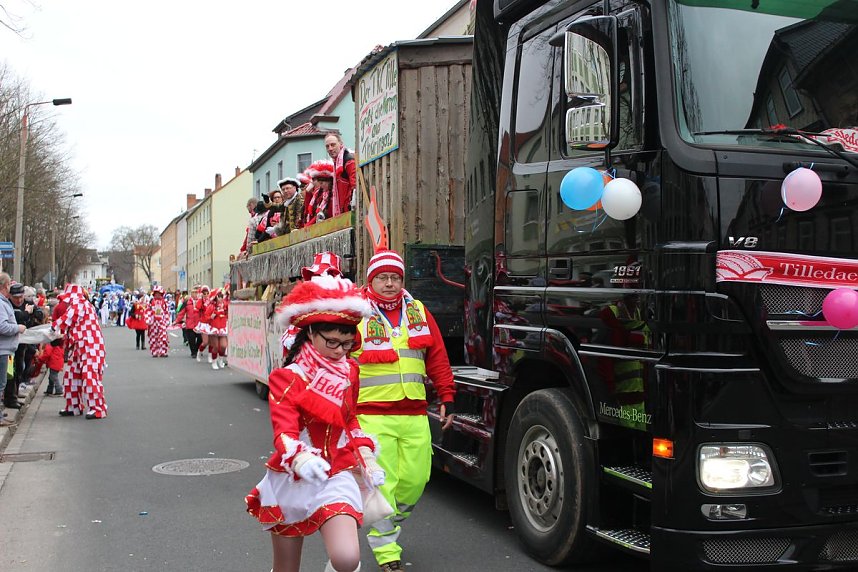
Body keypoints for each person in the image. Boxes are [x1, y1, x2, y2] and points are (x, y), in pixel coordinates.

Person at [245, 272, 383, 572]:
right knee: (286, 568)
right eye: (332, 342)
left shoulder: (351, 371)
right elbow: (284, 433)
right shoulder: (288, 377)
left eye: (346, 344)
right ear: (309, 333)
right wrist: (301, 458)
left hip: (337, 472)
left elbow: (351, 420)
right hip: (293, 476)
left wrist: (367, 457)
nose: (339, 351)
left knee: (347, 558)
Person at [351, 249, 456, 572]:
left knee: (416, 479)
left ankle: (383, 526)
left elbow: (436, 356)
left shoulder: (418, 310)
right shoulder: (356, 312)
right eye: (382, 278)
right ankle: (387, 551)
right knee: (385, 483)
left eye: (395, 277)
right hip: (371, 413)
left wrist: (447, 396)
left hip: (414, 412)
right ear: (371, 281)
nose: (389, 283)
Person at [52, 283, 107, 419]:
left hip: (91, 346)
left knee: (90, 377)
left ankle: (98, 409)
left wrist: (53, 327)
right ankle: (73, 406)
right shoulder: (77, 305)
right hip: (78, 346)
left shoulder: (80, 303)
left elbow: (67, 319)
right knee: (71, 376)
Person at [0, 274, 25, 426]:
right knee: (1, 384)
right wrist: (18, 328)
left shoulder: (4, 302)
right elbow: (2, 326)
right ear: (5, 285)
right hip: (2, 350)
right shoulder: (1, 304)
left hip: (5, 350)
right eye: (9, 284)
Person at [324, 133, 357, 217]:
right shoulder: (337, 163)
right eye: (327, 146)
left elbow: (355, 184)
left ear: (341, 144)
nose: (330, 149)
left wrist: (353, 202)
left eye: (333, 145)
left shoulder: (348, 160)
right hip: (343, 210)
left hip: (351, 209)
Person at [203, 287, 229, 370]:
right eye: (219, 296)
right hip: (214, 328)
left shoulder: (225, 305)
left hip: (222, 327)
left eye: (221, 296)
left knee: (224, 346)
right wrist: (211, 317)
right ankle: (214, 361)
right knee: (216, 347)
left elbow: (229, 312)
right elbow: (206, 318)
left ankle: (220, 360)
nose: (221, 298)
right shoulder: (211, 307)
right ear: (215, 297)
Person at [303, 161, 335, 226]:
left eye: (322, 183)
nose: (312, 182)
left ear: (329, 181)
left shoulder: (332, 195)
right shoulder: (321, 195)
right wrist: (308, 193)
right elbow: (308, 212)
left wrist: (307, 226)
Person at [175, 286, 202, 359]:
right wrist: (177, 321)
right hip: (190, 324)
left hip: (199, 324)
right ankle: (193, 352)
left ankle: (197, 349)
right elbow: (182, 312)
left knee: (200, 339)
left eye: (196, 292)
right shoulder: (187, 302)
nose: (194, 294)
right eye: (193, 292)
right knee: (191, 339)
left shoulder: (201, 302)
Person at [148, 286, 170, 358]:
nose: (158, 295)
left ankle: (163, 351)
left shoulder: (164, 302)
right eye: (156, 293)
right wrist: (149, 320)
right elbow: (148, 311)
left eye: (159, 293)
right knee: (153, 337)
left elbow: (166, 311)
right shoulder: (151, 301)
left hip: (162, 321)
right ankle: (154, 351)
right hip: (153, 322)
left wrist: (167, 321)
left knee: (163, 337)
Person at [195, 285, 212, 362]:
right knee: (205, 342)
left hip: (211, 323)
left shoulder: (212, 301)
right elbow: (196, 309)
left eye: (207, 293)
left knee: (211, 342)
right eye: (204, 293)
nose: (205, 295)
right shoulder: (200, 301)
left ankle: (210, 356)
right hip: (204, 323)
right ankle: (199, 352)